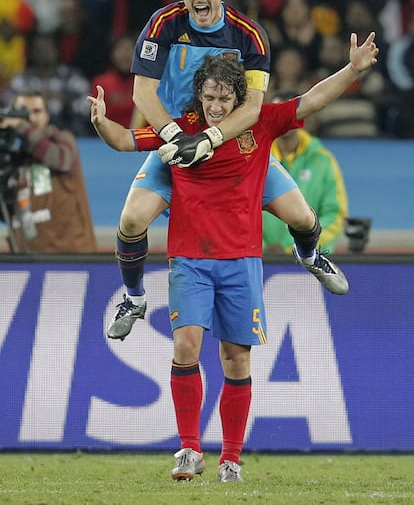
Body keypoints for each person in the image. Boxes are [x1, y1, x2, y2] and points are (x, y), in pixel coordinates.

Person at [88, 36, 378, 481]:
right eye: (210, 98)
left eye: (225, 99)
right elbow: (127, 140)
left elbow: (312, 100)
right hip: (189, 259)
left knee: (235, 360)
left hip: (242, 260)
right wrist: (102, 122)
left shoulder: (258, 123)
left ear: (239, 98)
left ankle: (231, 459)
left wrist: (354, 70)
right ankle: (188, 450)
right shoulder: (181, 128)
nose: (217, 107)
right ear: (199, 96)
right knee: (185, 348)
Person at [103, 0, 348, 343]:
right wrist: (177, 138)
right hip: (177, 140)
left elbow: (252, 108)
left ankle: (310, 255)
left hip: (238, 149)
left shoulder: (249, 35)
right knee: (131, 220)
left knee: (303, 219)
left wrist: (210, 138)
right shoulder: (163, 23)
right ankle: (133, 299)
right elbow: (143, 93)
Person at [0, 89, 97, 252]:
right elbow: (7, 213)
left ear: (47, 115)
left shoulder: (62, 140)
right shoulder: (14, 158)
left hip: (72, 258)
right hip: (28, 260)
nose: (30, 118)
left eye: (36, 111)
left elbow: (59, 160)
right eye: (22, 112)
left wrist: (23, 128)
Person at [263, 126, 348, 254]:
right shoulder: (255, 158)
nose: (286, 114)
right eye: (279, 105)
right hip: (261, 258)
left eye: (289, 106)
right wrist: (260, 247)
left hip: (311, 259)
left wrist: (293, 247)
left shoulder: (324, 161)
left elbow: (335, 216)